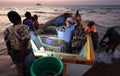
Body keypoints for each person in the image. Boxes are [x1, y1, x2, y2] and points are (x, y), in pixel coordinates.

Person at [4, 11, 35, 76]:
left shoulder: (7, 30)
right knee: (29, 72)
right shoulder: (24, 28)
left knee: (21, 71)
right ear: (19, 18)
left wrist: (13, 56)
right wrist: (21, 61)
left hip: (15, 56)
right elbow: (25, 44)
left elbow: (8, 45)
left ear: (10, 20)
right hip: (26, 56)